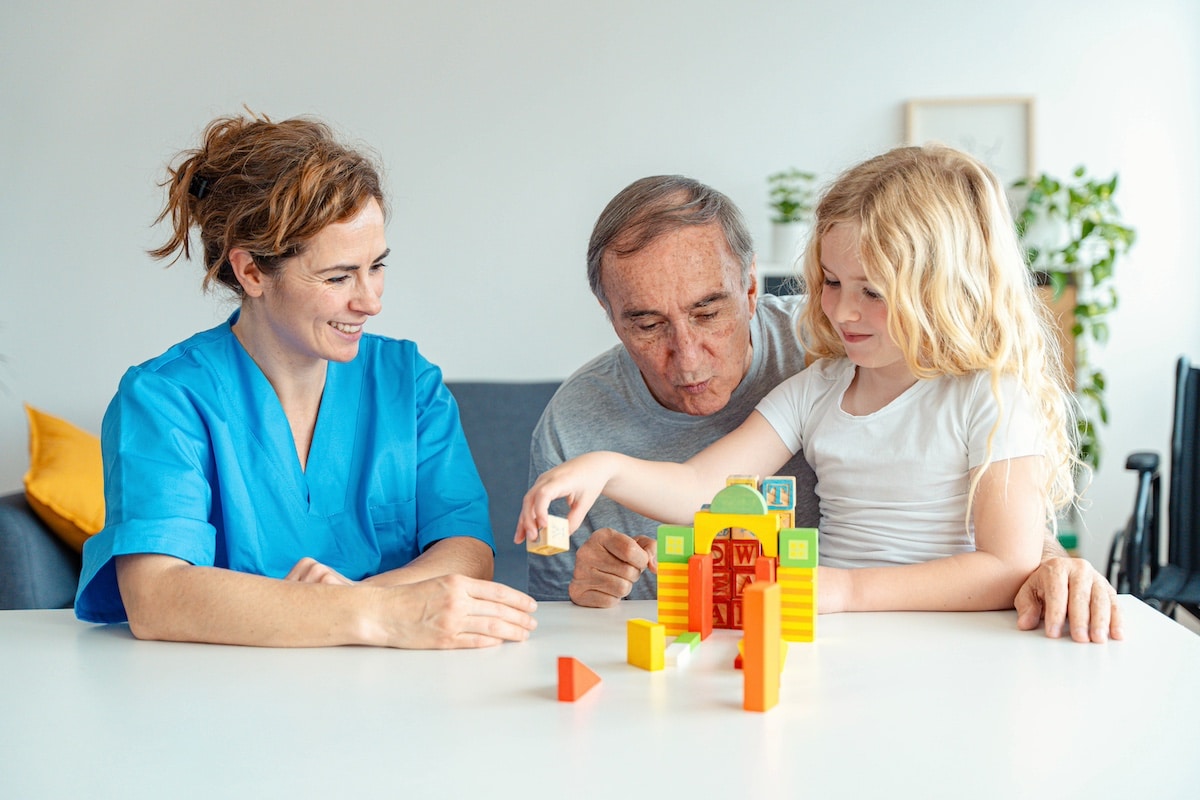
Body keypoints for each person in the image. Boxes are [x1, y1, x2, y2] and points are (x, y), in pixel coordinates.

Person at [524, 167, 1122, 641]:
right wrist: (608, 468)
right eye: (831, 283)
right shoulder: (821, 384)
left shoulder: (983, 395)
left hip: (951, 643)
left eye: (873, 291)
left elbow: (1008, 558)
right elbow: (703, 485)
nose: (838, 312)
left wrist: (842, 591)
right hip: (827, 641)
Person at [75, 113, 537, 649]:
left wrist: (340, 610)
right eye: (338, 276)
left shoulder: (407, 382)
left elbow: (466, 549)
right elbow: (156, 597)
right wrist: (373, 614)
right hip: (220, 693)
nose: (370, 300)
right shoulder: (164, 399)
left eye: (377, 266)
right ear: (251, 273)